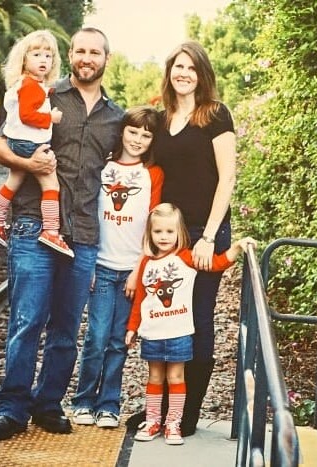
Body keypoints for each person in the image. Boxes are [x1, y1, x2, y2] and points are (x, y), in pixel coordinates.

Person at [0, 27, 124, 441]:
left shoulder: (116, 117)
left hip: (82, 234)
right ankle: (11, 408)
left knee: (65, 328)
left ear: (105, 59)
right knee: (27, 322)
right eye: (79, 50)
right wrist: (32, 167)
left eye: (94, 52)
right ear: (71, 55)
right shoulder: (43, 94)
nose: (86, 57)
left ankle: (48, 404)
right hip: (32, 225)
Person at [126, 40, 238, 437]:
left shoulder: (215, 115)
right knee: (164, 317)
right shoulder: (162, 117)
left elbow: (227, 178)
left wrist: (208, 236)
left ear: (202, 73)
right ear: (170, 72)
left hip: (205, 233)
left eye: (191, 67)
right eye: (178, 66)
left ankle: (187, 414)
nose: (184, 73)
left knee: (198, 320)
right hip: (168, 234)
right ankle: (163, 409)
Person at [125, 203, 255, 445]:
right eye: (158, 232)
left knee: (176, 377)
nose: (164, 237)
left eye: (169, 232)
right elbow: (141, 298)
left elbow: (216, 263)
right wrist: (132, 328)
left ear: (180, 233)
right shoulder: (147, 263)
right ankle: (154, 420)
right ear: (150, 234)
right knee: (154, 378)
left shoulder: (186, 257)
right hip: (153, 332)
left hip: (179, 332)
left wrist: (236, 247)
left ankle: (173, 423)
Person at [70, 106, 164, 429]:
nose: (138, 139)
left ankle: (108, 404)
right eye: (133, 131)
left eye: (146, 134)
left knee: (119, 340)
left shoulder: (152, 175)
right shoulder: (104, 168)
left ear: (152, 141)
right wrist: (89, 262)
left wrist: (140, 270)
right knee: (96, 336)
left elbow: (154, 225)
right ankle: (82, 400)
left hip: (130, 271)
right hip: (102, 265)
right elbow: (87, 216)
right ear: (122, 131)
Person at [0, 30, 73, 257]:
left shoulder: (26, 83)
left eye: (48, 56)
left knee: (14, 179)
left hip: (17, 143)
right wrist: (50, 118)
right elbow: (27, 116)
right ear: (24, 58)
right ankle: (51, 230)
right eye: (36, 54)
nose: (43, 60)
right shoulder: (30, 86)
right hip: (31, 144)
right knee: (51, 184)